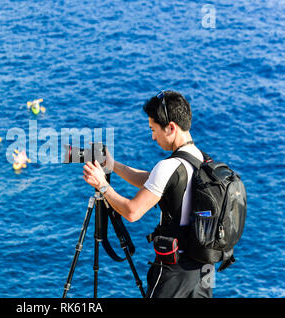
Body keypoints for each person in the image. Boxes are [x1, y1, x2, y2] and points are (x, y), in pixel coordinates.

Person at [82, 90, 212, 298]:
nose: (152, 137)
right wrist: (112, 165)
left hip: (175, 269)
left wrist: (102, 185)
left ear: (171, 127)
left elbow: (132, 213)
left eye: (153, 129)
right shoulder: (201, 160)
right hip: (204, 266)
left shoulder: (169, 166)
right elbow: (152, 181)